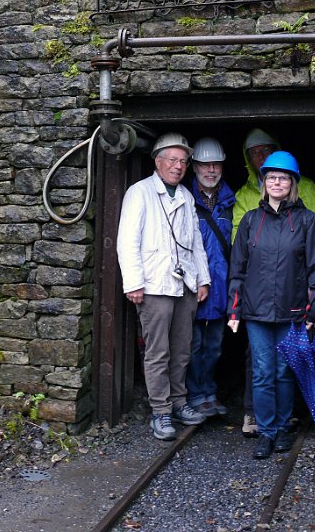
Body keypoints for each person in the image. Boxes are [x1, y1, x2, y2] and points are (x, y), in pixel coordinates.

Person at [232, 128, 315, 437]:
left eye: (283, 178)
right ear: (263, 180)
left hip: (292, 310)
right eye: (271, 177)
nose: (276, 182)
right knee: (263, 372)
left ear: (293, 183)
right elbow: (238, 266)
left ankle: (280, 427)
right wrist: (234, 311)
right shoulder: (250, 217)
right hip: (256, 310)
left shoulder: (307, 220)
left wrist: (313, 313)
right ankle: (265, 431)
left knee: (283, 371)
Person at [117, 132, 212, 441]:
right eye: (172, 160)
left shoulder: (185, 195)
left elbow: (195, 241)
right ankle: (160, 411)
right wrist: (133, 283)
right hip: (154, 284)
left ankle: (179, 403)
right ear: (157, 162)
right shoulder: (139, 192)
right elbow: (127, 241)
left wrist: (202, 278)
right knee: (158, 352)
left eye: (183, 161)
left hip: (184, 284)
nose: (178, 166)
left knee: (182, 350)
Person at [186, 137, 236, 417]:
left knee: (214, 346)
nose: (211, 170)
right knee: (193, 346)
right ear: (194, 167)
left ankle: (209, 392)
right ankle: (195, 394)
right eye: (205, 165)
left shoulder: (231, 201)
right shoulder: (184, 199)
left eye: (215, 164)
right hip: (194, 287)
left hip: (222, 286)